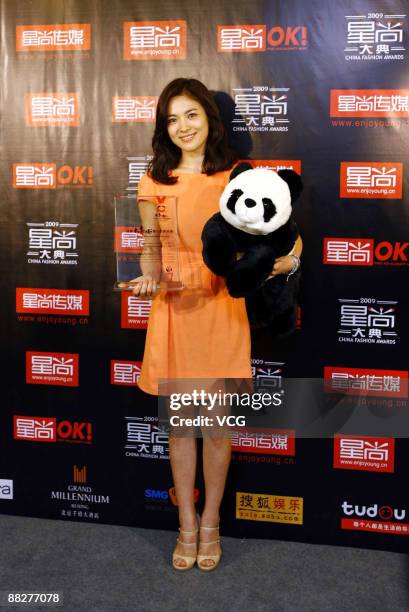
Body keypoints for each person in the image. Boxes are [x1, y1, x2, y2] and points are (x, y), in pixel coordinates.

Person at [127, 78, 303, 571]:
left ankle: (211, 524)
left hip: (222, 307)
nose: (183, 127)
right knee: (182, 430)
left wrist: (281, 265)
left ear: (210, 119)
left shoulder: (237, 178)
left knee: (218, 429)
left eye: (192, 115)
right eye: (172, 119)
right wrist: (145, 276)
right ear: (164, 128)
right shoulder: (153, 180)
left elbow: (291, 242)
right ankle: (185, 524)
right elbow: (149, 247)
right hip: (175, 310)